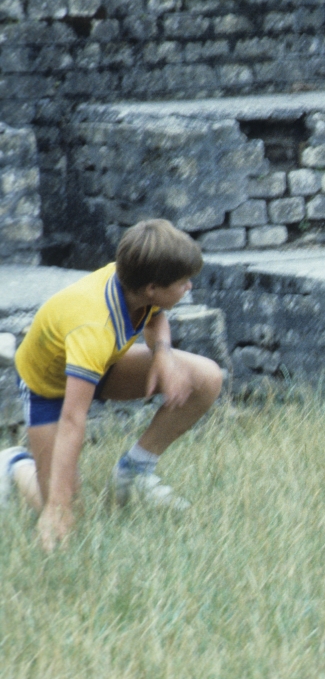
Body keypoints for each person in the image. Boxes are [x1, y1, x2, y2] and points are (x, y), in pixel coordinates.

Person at [2, 219, 223, 551]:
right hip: (48, 388)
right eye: (183, 282)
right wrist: (57, 506)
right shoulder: (93, 327)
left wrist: (163, 355)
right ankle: (14, 465)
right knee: (67, 514)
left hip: (100, 363)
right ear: (152, 287)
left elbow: (155, 315)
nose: (189, 287)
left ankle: (134, 472)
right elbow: (73, 420)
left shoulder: (134, 281)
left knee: (205, 378)